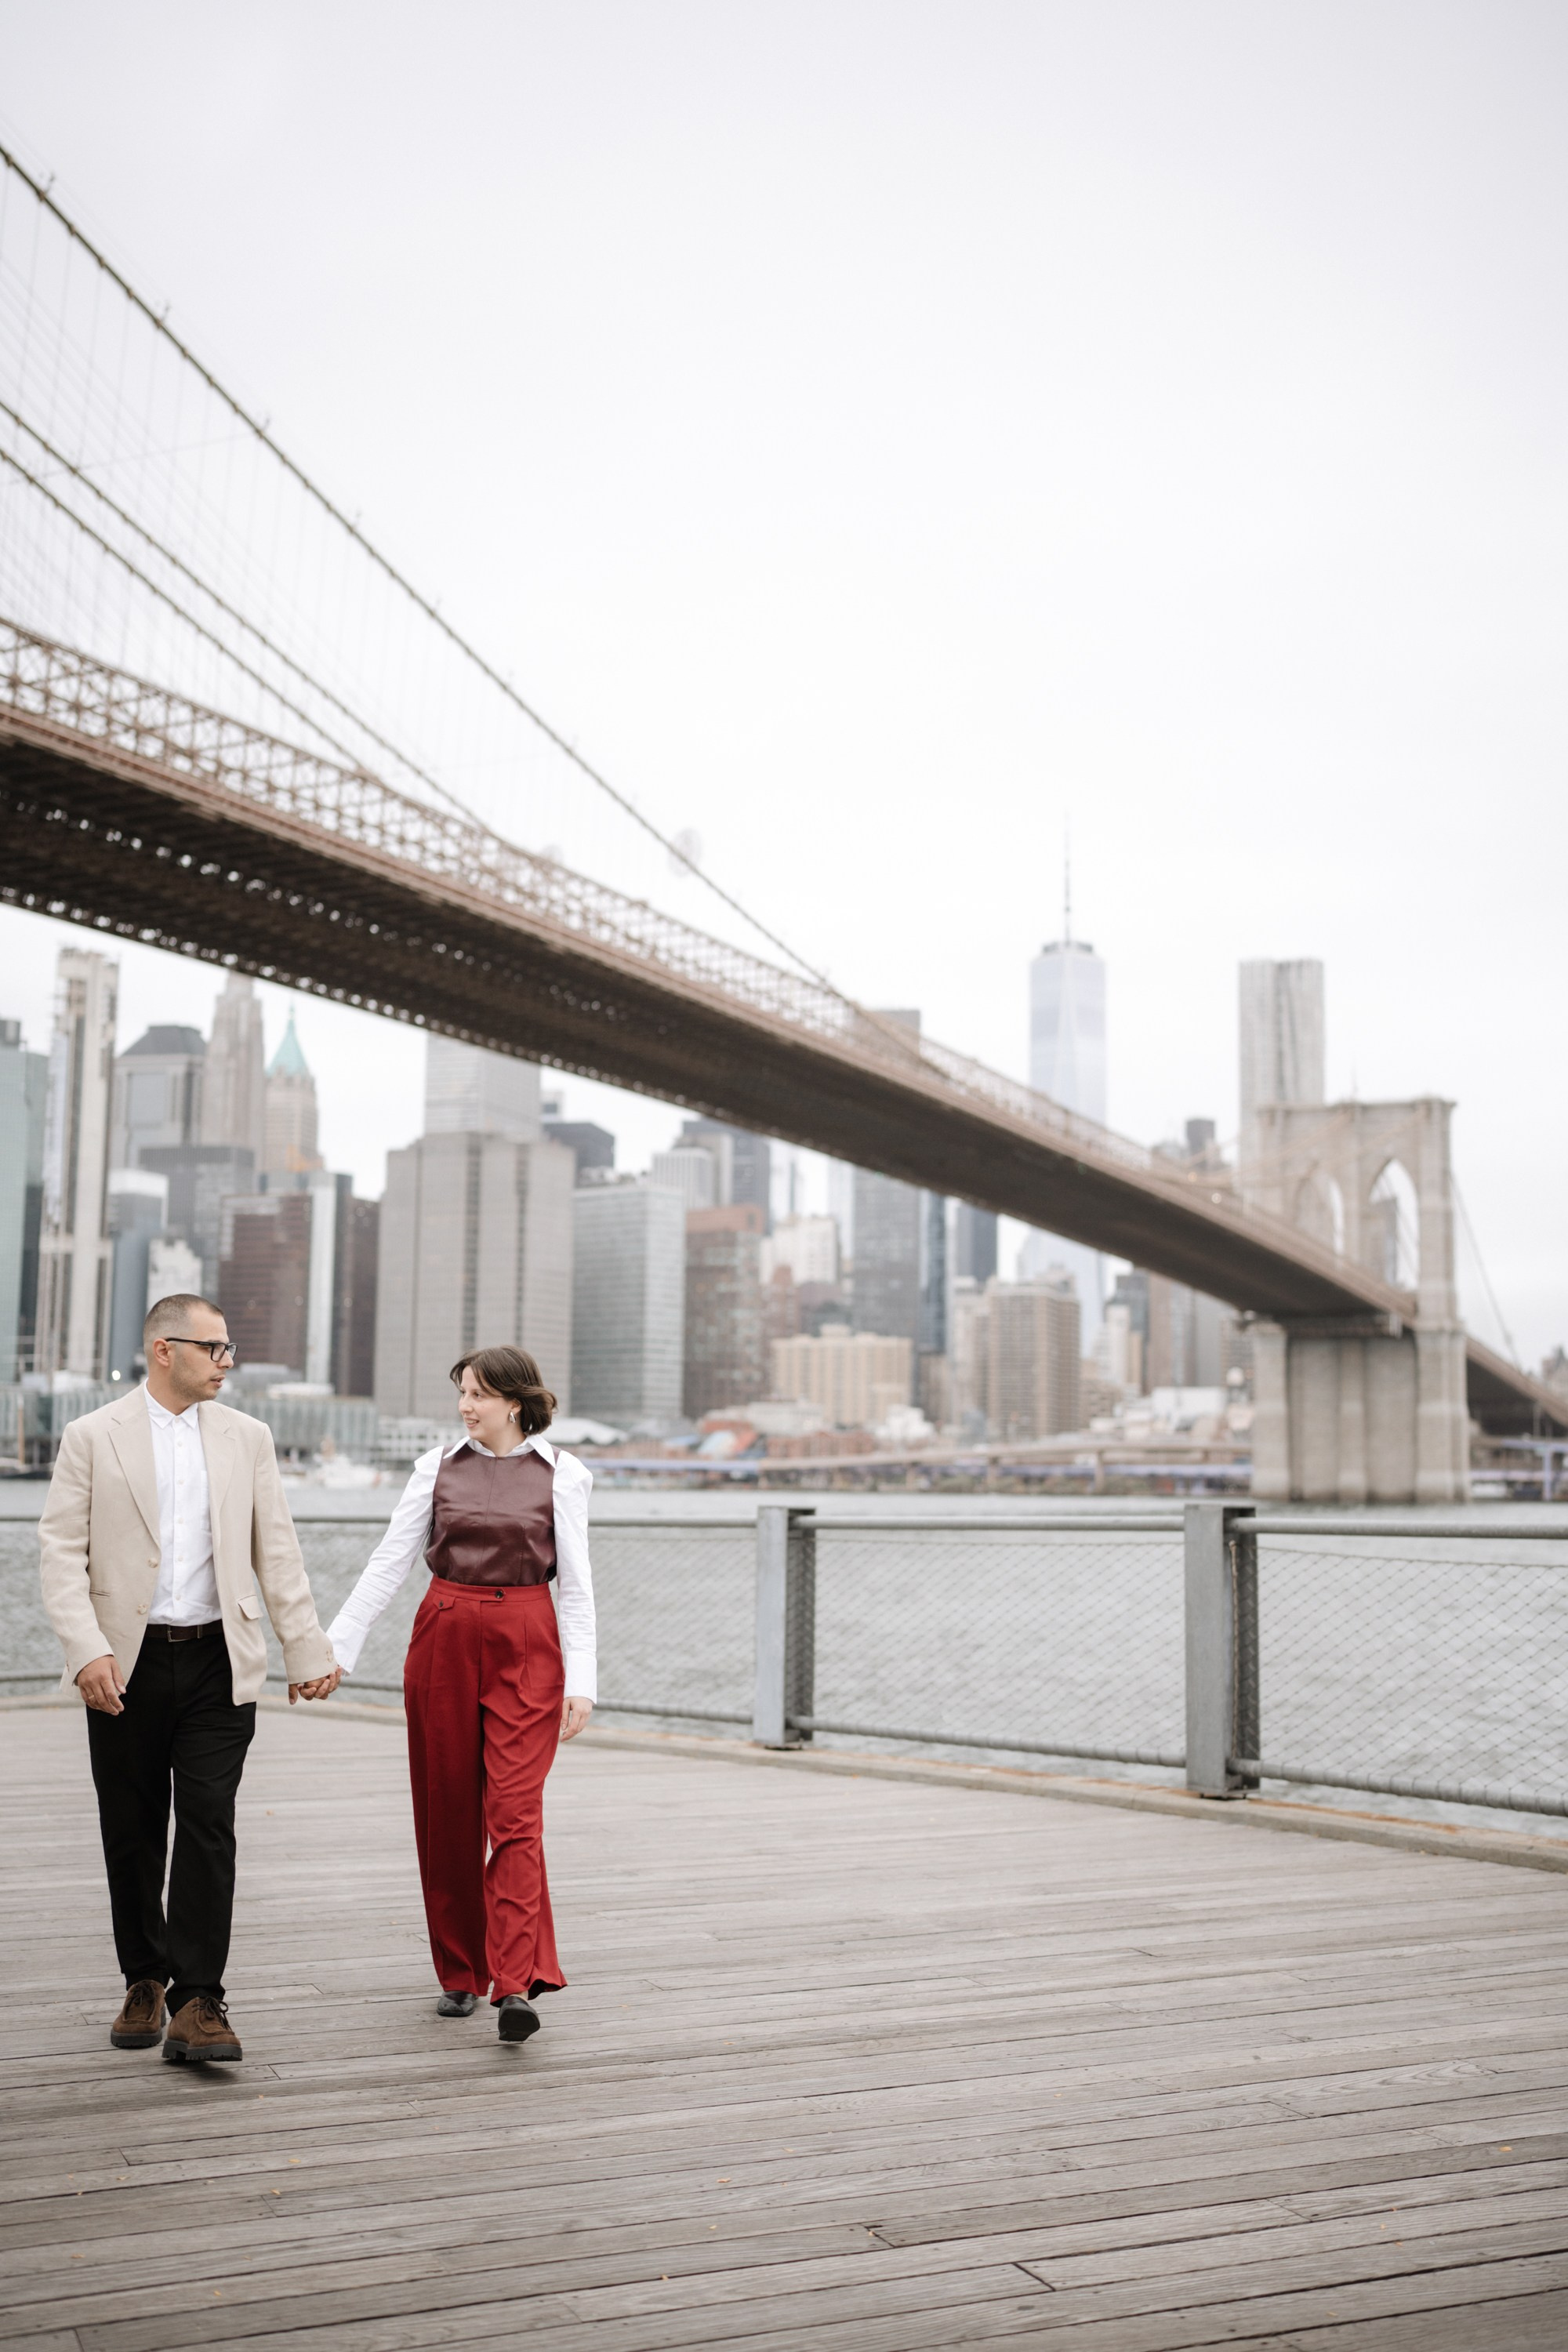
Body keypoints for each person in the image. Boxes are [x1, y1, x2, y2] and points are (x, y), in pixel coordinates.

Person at [38, 1292, 342, 2065]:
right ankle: (144, 1977)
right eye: (214, 1349)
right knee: (132, 1826)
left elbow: (277, 1550)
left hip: (217, 1657)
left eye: (229, 1348)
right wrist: (86, 1651)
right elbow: (59, 1557)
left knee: (209, 1820)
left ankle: (199, 1998)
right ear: (163, 1350)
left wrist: (306, 1650)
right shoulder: (90, 1437)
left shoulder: (249, 1437)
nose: (226, 1363)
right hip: (124, 1662)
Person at [327, 1345, 595, 2044]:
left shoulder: (565, 1476)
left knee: (514, 1813)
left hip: (528, 1645)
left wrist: (582, 1681)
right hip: (443, 1635)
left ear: (515, 1401)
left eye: (478, 1394)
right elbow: (389, 1562)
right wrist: (337, 1648)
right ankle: (459, 1971)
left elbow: (578, 1588)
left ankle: (514, 1983)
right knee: (447, 1809)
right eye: (462, 1393)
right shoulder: (435, 1468)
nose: (465, 1406)